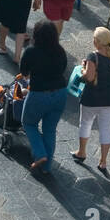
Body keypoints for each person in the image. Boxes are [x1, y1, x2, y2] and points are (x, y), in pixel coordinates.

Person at [72, 26, 110, 173]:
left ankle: (81, 152)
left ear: (97, 41)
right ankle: (103, 161)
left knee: (85, 124)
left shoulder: (92, 56)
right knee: (106, 128)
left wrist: (83, 69)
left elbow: (89, 77)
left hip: (92, 98)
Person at [20, 19, 68, 175]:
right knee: (49, 130)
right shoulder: (60, 51)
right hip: (60, 93)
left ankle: (40, 154)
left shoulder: (31, 51)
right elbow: (63, 68)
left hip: (39, 94)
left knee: (28, 123)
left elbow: (24, 72)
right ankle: (47, 167)